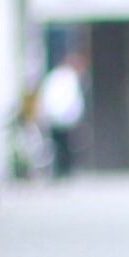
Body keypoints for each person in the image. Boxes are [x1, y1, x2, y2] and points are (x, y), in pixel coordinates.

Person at [38, 52, 87, 181]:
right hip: (65, 118)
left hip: (56, 117)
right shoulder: (68, 77)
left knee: (59, 145)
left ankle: (61, 171)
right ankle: (64, 170)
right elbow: (72, 99)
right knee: (64, 145)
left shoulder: (54, 76)